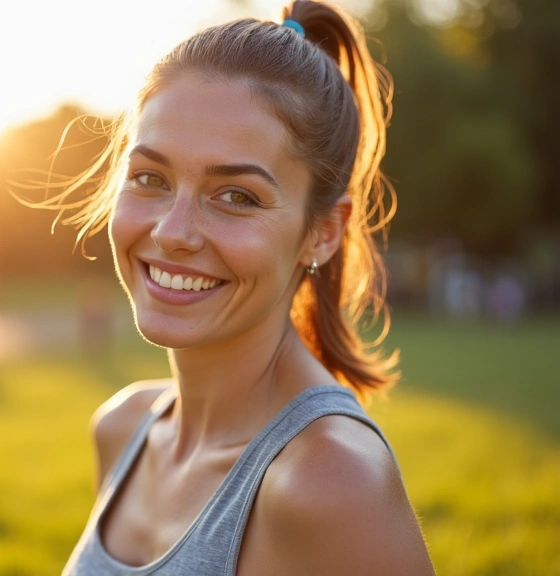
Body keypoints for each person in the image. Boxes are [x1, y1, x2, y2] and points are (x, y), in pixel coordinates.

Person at [36, 1, 435, 573]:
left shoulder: (330, 481)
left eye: (236, 196)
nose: (171, 233)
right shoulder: (123, 428)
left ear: (322, 233)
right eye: (150, 178)